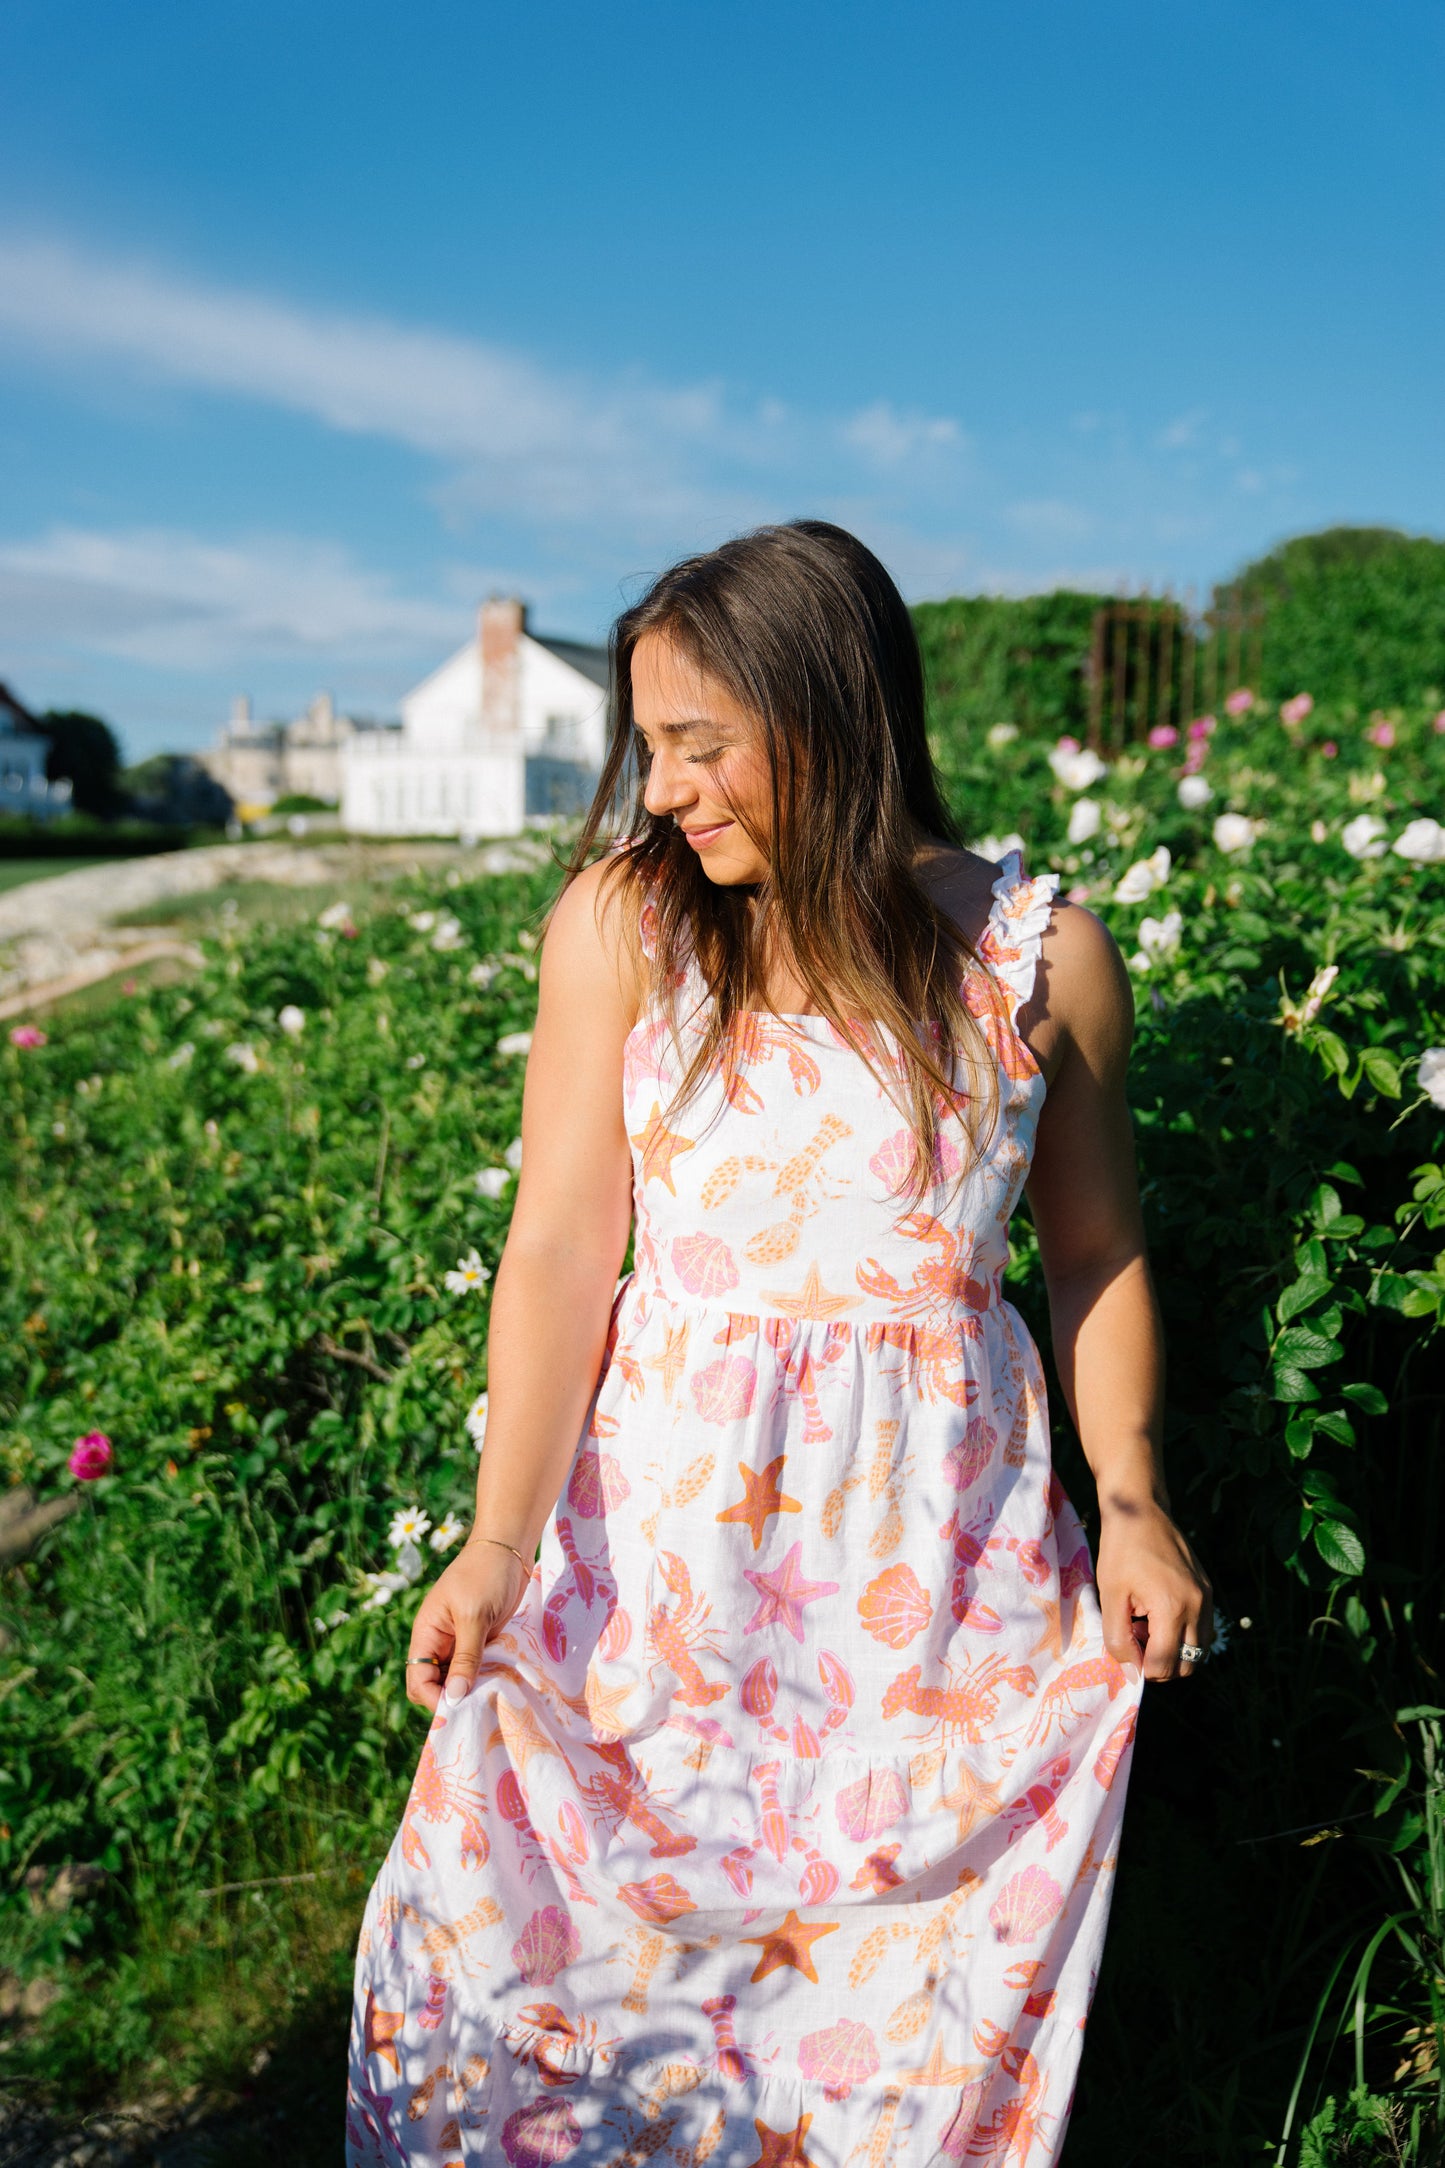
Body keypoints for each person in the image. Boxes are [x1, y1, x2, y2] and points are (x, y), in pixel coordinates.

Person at [346, 520, 1211, 2166]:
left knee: (894, 2006)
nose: (659, 790)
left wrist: (1135, 1497)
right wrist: (495, 1542)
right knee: (584, 1975)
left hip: (930, 1582)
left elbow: (1096, 1254)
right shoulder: (627, 927)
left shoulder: (1036, 961)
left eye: (696, 745)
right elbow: (557, 1252)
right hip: (656, 1569)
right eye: (647, 747)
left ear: (826, 713)